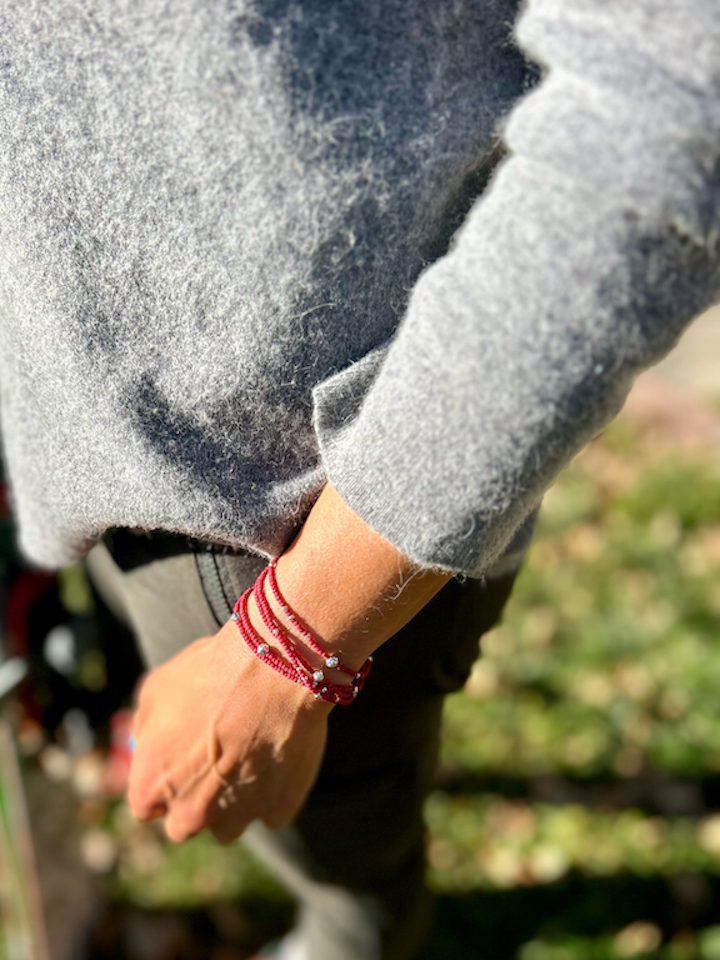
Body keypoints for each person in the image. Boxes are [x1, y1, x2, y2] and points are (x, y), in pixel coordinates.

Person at [0, 1, 718, 957]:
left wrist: (288, 644)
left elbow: (669, 120)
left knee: (347, 872)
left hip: (289, 523)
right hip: (74, 419)